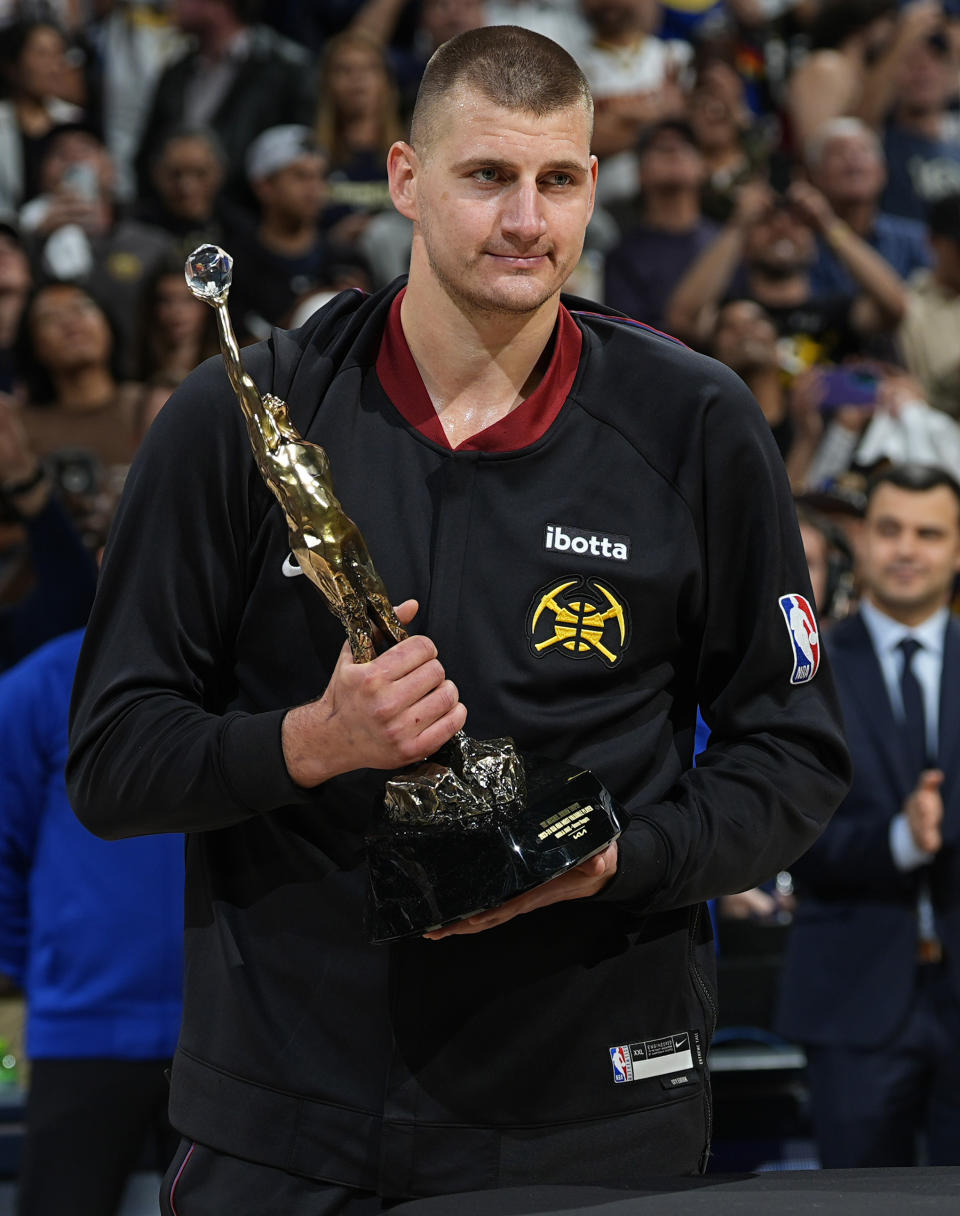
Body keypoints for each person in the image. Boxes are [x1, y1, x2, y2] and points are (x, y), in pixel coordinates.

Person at [68, 25, 849, 1210]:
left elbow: (792, 755)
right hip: (288, 1117)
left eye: (560, 180)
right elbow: (112, 759)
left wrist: (619, 859)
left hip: (589, 1115)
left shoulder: (696, 423)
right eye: (487, 176)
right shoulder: (247, 415)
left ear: (595, 187)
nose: (527, 222)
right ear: (404, 178)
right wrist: (310, 742)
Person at [778, 463, 960, 1168]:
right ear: (862, 540)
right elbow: (787, 830)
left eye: (929, 532)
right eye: (889, 529)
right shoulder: (805, 672)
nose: (907, 549)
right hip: (851, 995)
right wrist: (897, 840)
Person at [0, 628, 184, 1216]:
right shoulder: (38, 686)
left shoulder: (244, 672)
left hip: (230, 1031)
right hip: (84, 1025)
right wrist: (49, 973)